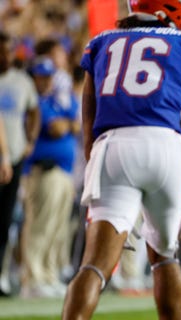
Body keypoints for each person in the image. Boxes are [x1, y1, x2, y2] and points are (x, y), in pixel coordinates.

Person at [61, 0, 181, 319]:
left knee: (95, 264)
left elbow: (89, 128)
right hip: (166, 146)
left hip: (113, 145)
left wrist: (104, 182)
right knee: (165, 256)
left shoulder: (100, 43)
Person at [20, 57, 80, 299]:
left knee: (57, 229)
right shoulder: (37, 103)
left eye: (48, 76)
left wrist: (67, 124)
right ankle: (32, 279)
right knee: (40, 227)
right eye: (40, 76)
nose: (44, 81)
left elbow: (76, 124)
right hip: (44, 170)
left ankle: (48, 275)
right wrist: (67, 124)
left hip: (64, 171)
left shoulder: (59, 99)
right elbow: (56, 128)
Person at [0, 31, 40, 298]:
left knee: (4, 222)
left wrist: (30, 140)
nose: (6, 56)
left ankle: (1, 277)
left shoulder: (21, 81)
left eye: (8, 50)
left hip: (12, 158)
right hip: (4, 157)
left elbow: (34, 110)